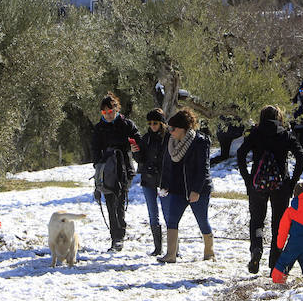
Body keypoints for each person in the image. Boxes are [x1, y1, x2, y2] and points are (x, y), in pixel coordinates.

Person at [237, 105, 303, 274]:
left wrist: (248, 179)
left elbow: (241, 154)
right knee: (279, 224)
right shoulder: (284, 133)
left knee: (257, 220)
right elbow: (301, 156)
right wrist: (292, 182)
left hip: (257, 183)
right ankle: (275, 261)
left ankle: (256, 248)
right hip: (280, 185)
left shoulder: (255, 133)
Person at [157, 108, 213, 263]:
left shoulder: (200, 141)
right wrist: (164, 185)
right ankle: (170, 254)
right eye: (169, 128)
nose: (171, 131)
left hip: (197, 188)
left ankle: (209, 253)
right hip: (176, 188)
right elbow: (167, 165)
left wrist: (196, 190)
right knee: (172, 219)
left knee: (202, 220)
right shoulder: (170, 142)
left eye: (173, 129)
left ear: (183, 128)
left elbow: (203, 169)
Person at [90, 92, 143, 252]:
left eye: (111, 111)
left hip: (124, 169)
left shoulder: (126, 124)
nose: (108, 115)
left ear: (116, 109)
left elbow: (137, 140)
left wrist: (133, 146)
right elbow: (94, 149)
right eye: (105, 112)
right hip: (106, 170)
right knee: (110, 203)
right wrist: (98, 166)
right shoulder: (99, 128)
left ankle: (119, 236)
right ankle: (115, 237)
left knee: (119, 202)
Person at [270, 181, 303, 284]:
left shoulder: (290, 211)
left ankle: (278, 282)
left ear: (294, 194)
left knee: (283, 263)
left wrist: (280, 245)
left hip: (293, 244)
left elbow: (283, 230)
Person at [139, 108, 168, 256]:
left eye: (155, 122)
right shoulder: (146, 138)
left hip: (165, 180)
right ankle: (158, 248)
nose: (152, 125)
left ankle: (173, 247)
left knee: (169, 214)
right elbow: (141, 160)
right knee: (153, 213)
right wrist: (136, 152)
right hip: (148, 178)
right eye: (150, 123)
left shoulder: (169, 138)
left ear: (162, 123)